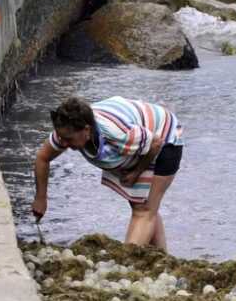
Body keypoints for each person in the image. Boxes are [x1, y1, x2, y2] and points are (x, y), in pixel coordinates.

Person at [31, 96, 184, 250]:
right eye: (61, 137)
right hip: (140, 136)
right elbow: (42, 158)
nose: (63, 143)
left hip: (165, 135)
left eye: (68, 139)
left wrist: (136, 172)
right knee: (142, 206)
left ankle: (127, 263)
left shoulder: (117, 134)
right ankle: (161, 259)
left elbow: (156, 143)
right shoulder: (66, 129)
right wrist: (41, 198)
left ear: (87, 130)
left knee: (144, 210)